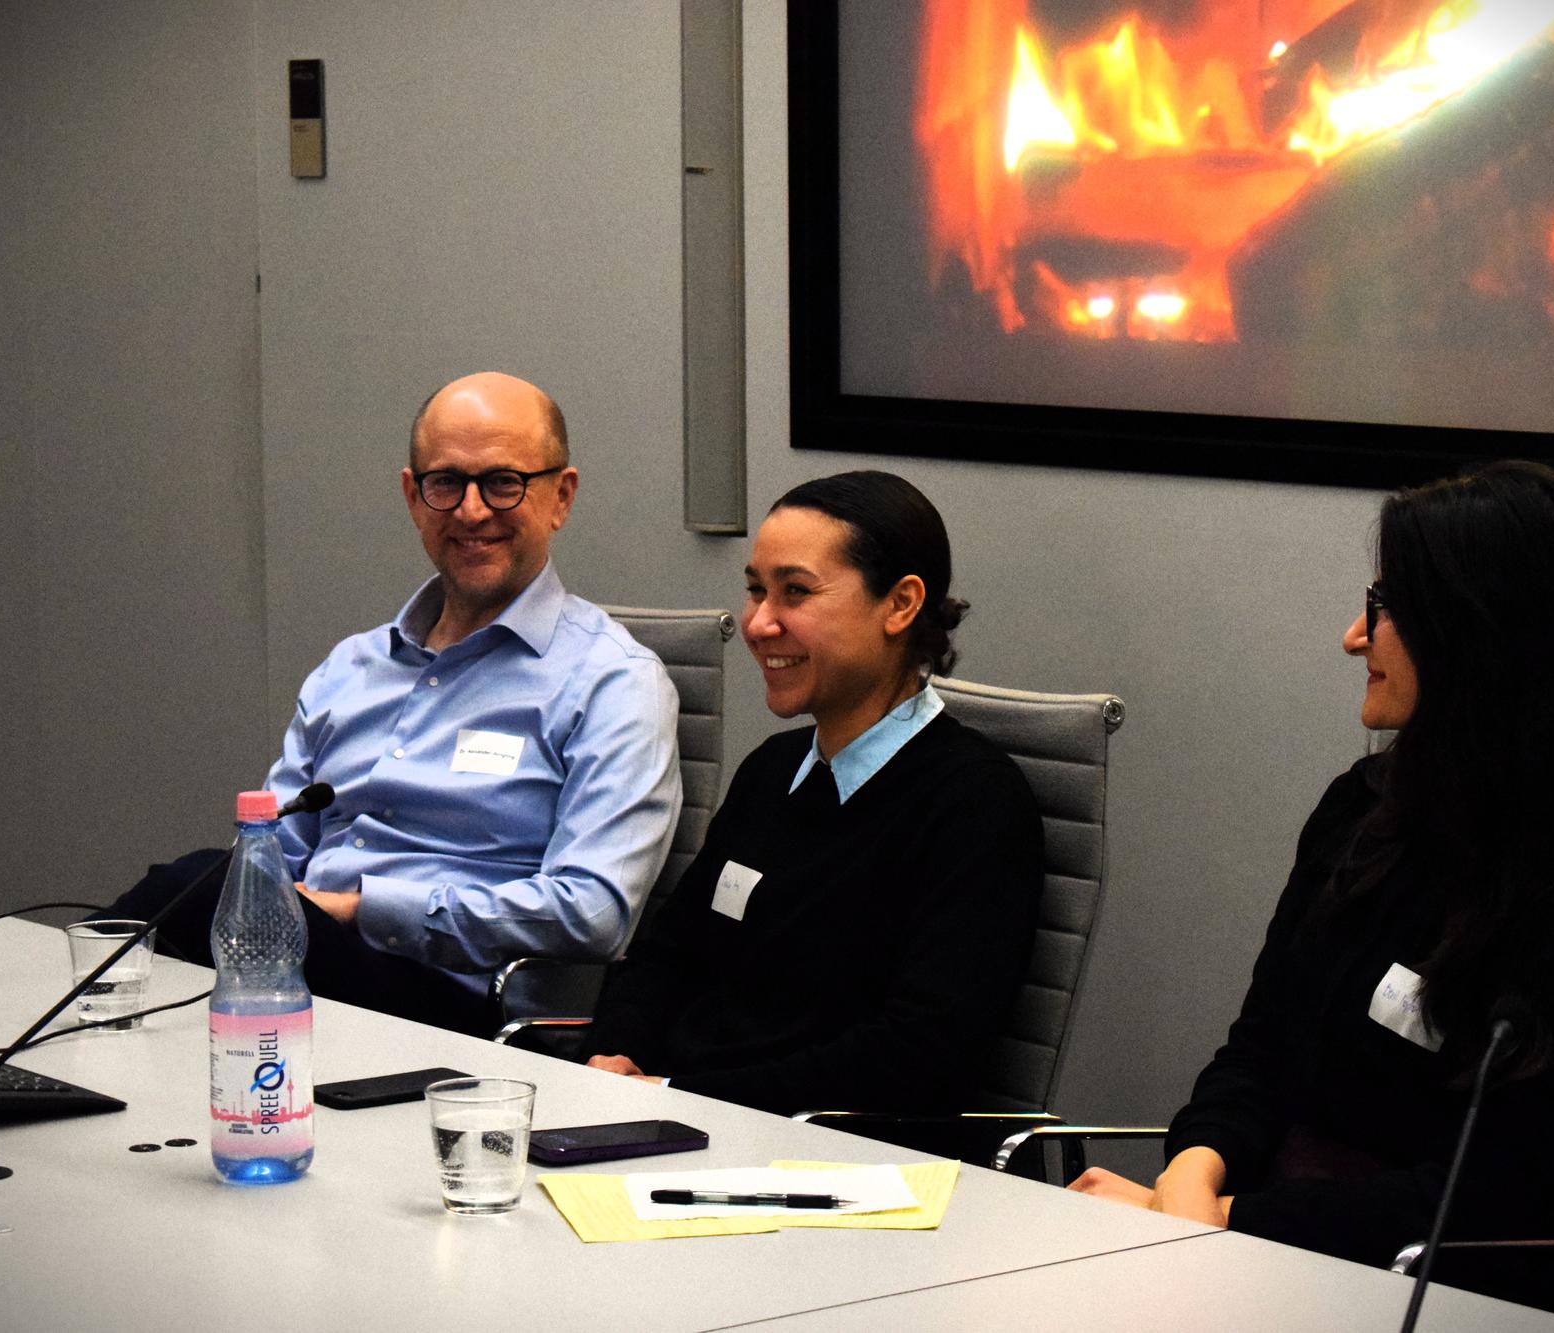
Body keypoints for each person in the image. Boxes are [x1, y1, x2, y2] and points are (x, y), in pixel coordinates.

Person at [1067, 460, 1554, 1318]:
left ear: (1480, 630)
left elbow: (1494, 1193)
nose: (1353, 637)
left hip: (1464, 1292)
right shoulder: (1362, 808)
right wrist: (1190, 1176)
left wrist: (1221, 1221)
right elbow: (1260, 1050)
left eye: (1387, 606)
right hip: (1275, 1251)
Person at [108, 372, 681, 1033]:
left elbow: (593, 913)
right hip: (297, 978)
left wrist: (365, 908)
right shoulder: (352, 669)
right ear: (413, 496)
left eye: (504, 482)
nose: (471, 511)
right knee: (196, 899)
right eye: (446, 483)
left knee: (191, 885)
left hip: (455, 1007)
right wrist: (268, 905)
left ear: (562, 496)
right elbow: (270, 857)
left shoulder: (613, 683)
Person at [584, 470, 1043, 1116]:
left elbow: (916, 1053)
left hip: (829, 1151)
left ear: (901, 604)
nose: (758, 623)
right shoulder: (772, 770)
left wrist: (679, 1097)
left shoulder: (976, 803)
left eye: (795, 592)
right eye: (755, 590)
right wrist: (613, 1056)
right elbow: (667, 955)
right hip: (684, 1117)